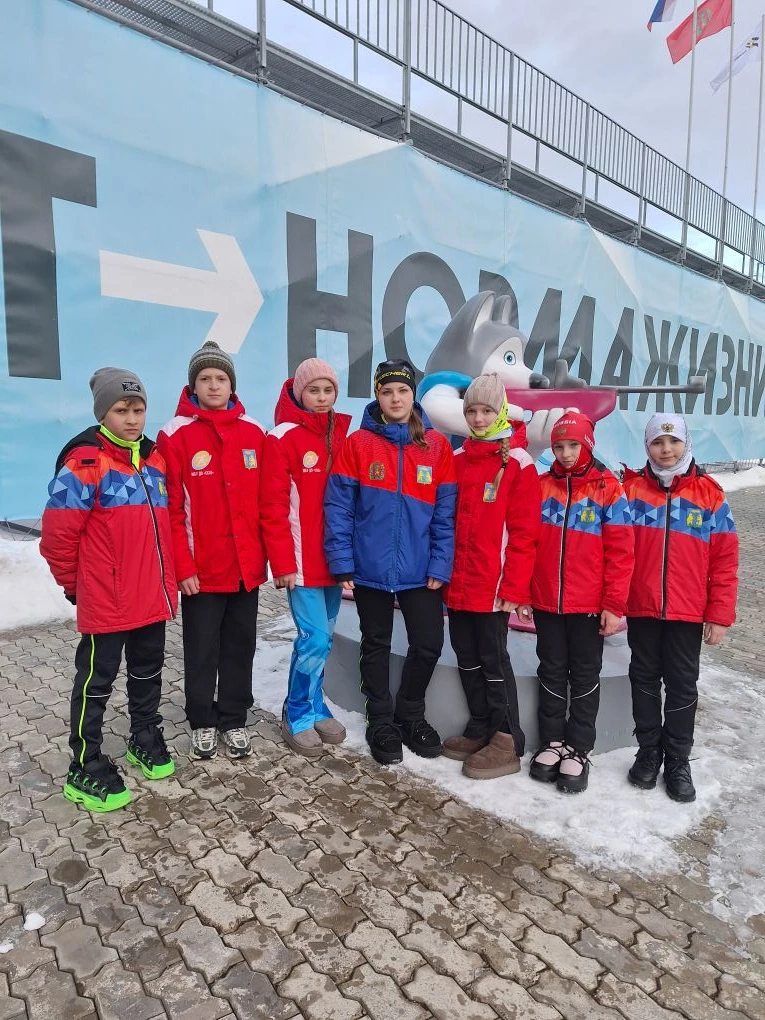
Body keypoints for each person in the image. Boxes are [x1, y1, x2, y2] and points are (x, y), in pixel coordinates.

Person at [40, 369, 177, 812]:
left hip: (150, 596)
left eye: (138, 410)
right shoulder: (85, 464)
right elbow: (57, 537)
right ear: (103, 413)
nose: (132, 419)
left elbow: (165, 530)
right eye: (121, 410)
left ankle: (143, 735)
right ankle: (85, 762)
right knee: (96, 682)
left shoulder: (154, 462)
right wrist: (75, 586)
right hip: (107, 600)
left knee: (147, 672)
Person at [324, 359, 457, 765]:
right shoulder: (358, 444)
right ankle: (381, 719)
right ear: (377, 396)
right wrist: (342, 561)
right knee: (376, 644)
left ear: (413, 395)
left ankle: (410, 713)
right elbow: (339, 507)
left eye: (402, 390)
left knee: (428, 643)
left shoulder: (436, 446)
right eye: (387, 391)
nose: (395, 398)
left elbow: (445, 514)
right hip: (370, 568)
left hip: (420, 570)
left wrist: (440, 564)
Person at [157, 341, 267, 760]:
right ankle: (202, 720)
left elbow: (266, 502)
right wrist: (183, 567)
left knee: (240, 646)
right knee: (202, 649)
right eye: (205, 378)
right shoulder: (175, 434)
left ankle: (234, 718)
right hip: (202, 572)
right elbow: (172, 510)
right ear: (193, 385)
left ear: (232, 384)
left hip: (244, 569)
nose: (214, 385)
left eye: (221, 378)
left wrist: (265, 559)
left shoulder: (254, 432)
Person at [623, 413, 738, 803]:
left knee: (682, 685)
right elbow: (616, 550)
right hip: (642, 607)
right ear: (647, 446)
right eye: (657, 442)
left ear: (686, 444)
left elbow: (725, 561)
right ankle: (648, 751)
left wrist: (719, 614)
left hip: (687, 612)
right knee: (643, 679)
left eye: (673, 442)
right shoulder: (632, 492)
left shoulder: (710, 495)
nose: (666, 450)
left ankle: (677, 760)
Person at [529, 412, 634, 793]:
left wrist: (613, 605)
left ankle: (579, 747)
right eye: (559, 446)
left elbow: (621, 553)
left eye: (573, 445)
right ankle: (553, 741)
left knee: (585, 674)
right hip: (547, 601)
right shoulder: (542, 486)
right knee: (551, 669)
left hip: (588, 604)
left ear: (587, 445)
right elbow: (528, 543)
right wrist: (524, 592)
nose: (566, 453)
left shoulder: (608, 489)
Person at [443, 374, 541, 779]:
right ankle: (481, 723)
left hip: (492, 586)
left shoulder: (518, 463)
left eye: (486, 410)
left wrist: (514, 587)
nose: (479, 419)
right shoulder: (458, 458)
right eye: (472, 411)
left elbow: (524, 533)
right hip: (458, 582)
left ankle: (506, 738)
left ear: (500, 412)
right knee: (466, 656)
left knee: (492, 659)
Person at [260, 359, 352, 757]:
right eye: (313, 390)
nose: (322, 397)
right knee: (313, 638)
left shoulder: (341, 434)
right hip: (301, 563)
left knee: (324, 639)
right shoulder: (283, 437)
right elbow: (272, 506)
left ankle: (315, 705)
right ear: (300, 393)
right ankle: (295, 710)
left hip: (334, 561)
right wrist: (282, 563)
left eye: (328, 390)